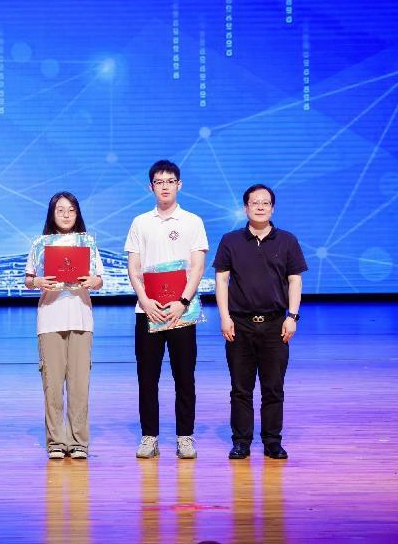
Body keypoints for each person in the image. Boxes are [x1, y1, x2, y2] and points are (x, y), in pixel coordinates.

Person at [213, 184, 307, 460]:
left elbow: (295, 280)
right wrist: (225, 317)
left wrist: (292, 316)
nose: (260, 207)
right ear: (246, 208)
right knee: (240, 388)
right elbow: (221, 280)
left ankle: (272, 441)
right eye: (255, 203)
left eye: (266, 203)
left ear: (273, 208)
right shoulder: (230, 240)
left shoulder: (287, 240)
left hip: (275, 324)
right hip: (240, 324)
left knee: (273, 387)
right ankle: (241, 442)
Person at [124, 160, 208, 459]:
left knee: (184, 377)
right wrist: (145, 301)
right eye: (159, 182)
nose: (165, 186)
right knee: (147, 378)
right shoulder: (140, 222)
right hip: (148, 310)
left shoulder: (192, 221)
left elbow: (197, 267)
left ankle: (185, 437)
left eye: (170, 181)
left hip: (181, 311)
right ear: (151, 187)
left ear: (179, 185)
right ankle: (149, 437)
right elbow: (133, 267)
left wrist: (183, 301)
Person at [24, 191, 103, 460]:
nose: (66, 214)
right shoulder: (40, 244)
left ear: (77, 213)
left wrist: (93, 282)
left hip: (81, 317)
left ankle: (79, 441)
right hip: (50, 318)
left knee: (80, 384)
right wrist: (37, 282)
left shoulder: (87, 243)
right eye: (60, 210)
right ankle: (56, 441)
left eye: (71, 210)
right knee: (53, 384)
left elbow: (99, 279)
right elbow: (29, 279)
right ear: (52, 214)